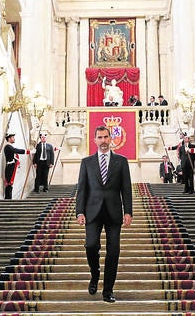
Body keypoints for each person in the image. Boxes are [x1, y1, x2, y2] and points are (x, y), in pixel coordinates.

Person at [76, 125, 133, 303]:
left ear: (111, 139)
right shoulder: (86, 162)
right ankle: (95, 274)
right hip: (92, 212)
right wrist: (80, 212)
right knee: (91, 245)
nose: (103, 141)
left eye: (106, 137)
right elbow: (82, 189)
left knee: (113, 251)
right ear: (94, 140)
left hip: (114, 212)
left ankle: (108, 290)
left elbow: (126, 188)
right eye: (99, 137)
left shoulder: (121, 161)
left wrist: (128, 211)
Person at [3, 133, 31, 199]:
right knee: (9, 183)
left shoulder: (9, 146)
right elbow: (16, 150)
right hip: (10, 166)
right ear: (9, 139)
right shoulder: (8, 146)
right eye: (12, 137)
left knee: (10, 183)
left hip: (12, 166)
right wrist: (28, 152)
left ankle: (9, 198)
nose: (14, 139)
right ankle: (8, 199)